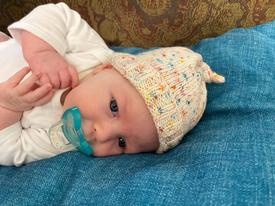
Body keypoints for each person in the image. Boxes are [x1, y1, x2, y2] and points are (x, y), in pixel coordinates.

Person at [0, 3, 224, 166]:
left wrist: (9, 107)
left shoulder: (59, 139)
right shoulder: (93, 55)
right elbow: (58, 15)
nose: (101, 133)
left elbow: (13, 148)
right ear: (106, 69)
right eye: (114, 107)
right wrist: (43, 51)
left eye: (122, 142)